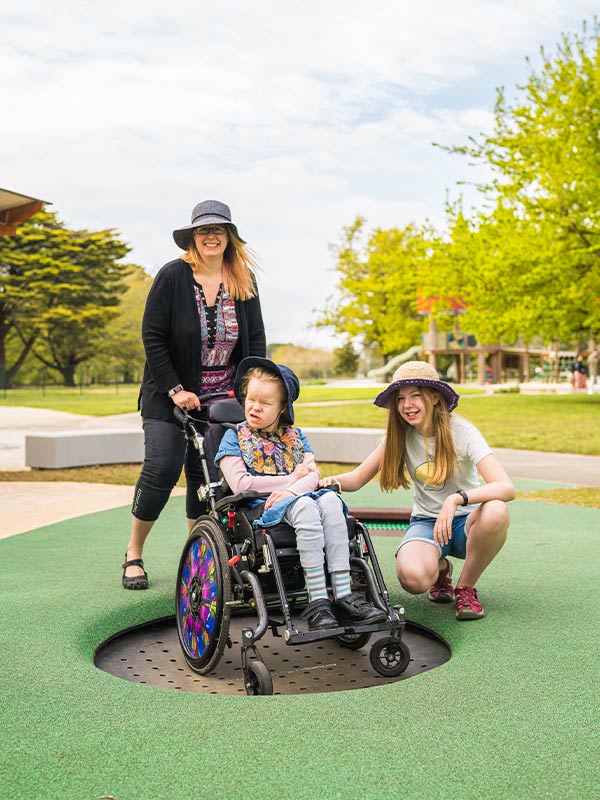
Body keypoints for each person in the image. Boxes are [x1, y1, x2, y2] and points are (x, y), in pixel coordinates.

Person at [122, 200, 266, 589]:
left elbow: (256, 345)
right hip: (167, 396)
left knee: (210, 480)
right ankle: (134, 553)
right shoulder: (172, 276)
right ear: (193, 237)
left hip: (222, 402)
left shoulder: (243, 280)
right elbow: (152, 337)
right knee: (162, 469)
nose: (211, 236)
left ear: (229, 237)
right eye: (204, 231)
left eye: (218, 230)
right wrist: (176, 389)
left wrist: (252, 392)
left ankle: (198, 561)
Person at [320, 361, 516, 621]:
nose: (407, 405)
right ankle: (440, 568)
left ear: (434, 398)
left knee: (496, 511)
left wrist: (456, 499)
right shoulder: (399, 436)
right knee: (412, 580)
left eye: (415, 395)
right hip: (427, 524)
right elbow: (357, 478)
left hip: (468, 525)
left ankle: (466, 588)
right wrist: (330, 481)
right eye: (400, 398)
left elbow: (505, 487)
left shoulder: (463, 431)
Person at [214, 357, 387, 631]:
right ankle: (317, 601)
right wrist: (289, 482)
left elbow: (313, 476)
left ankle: (343, 595)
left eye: (265, 403)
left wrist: (292, 490)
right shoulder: (233, 437)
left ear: (283, 408)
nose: (255, 407)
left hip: (298, 498)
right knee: (306, 507)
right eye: (251, 399)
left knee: (330, 499)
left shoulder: (296, 437)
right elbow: (240, 484)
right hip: (258, 509)